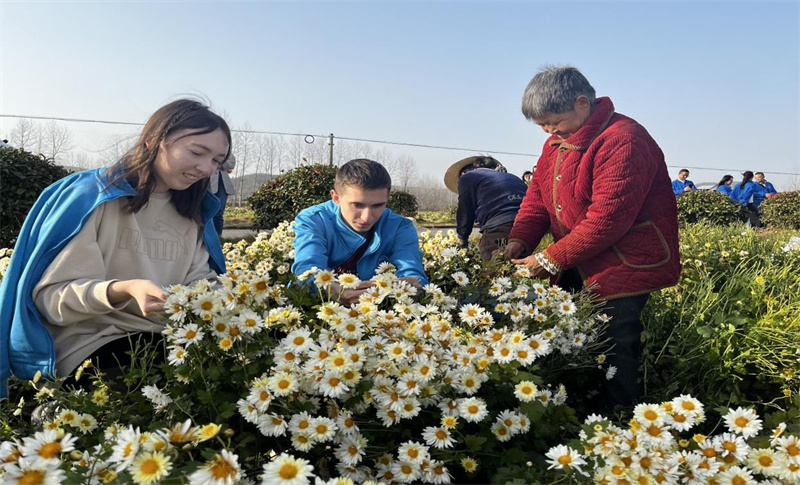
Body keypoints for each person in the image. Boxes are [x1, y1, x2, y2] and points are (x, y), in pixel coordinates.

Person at [0, 99, 230, 396]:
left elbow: (201, 281)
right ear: (155, 139)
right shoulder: (94, 199)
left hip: (168, 339)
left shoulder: (193, 211)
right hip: (90, 344)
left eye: (216, 161)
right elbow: (50, 300)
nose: (204, 168)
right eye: (197, 152)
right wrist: (123, 289)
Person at [504, 65, 680, 411]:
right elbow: (537, 199)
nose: (549, 130)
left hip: (623, 258)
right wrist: (520, 240)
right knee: (573, 334)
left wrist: (549, 258)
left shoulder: (624, 139)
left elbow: (608, 218)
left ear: (582, 103)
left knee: (616, 341)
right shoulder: (556, 144)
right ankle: (579, 405)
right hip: (578, 254)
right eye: (541, 125)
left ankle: (621, 418)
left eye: (553, 121)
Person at [292, 158, 428, 303]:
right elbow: (307, 268)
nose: (367, 217)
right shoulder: (314, 219)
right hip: (318, 306)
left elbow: (414, 275)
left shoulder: (400, 227)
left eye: (378, 205)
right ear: (336, 198)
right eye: (357, 205)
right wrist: (331, 290)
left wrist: (407, 286)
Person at [443, 156, 528, 261]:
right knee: (522, 270)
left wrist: (462, 240)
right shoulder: (513, 177)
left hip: (499, 227)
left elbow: (465, 211)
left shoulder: (469, 176)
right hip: (527, 228)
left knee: (493, 272)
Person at [208, 152, 237, 236]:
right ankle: (203, 238)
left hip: (222, 183)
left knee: (218, 212)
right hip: (204, 180)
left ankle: (218, 238)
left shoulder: (225, 148)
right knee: (204, 212)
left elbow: (231, 164)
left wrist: (216, 158)